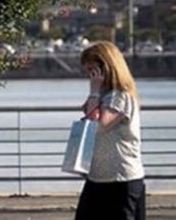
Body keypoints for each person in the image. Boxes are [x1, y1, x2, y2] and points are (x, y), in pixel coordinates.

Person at [75, 41, 146, 220]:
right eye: (88, 72)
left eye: (93, 71)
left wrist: (94, 92)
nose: (90, 76)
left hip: (121, 179)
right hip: (98, 178)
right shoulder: (105, 96)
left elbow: (98, 126)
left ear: (106, 68)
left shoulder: (121, 97)